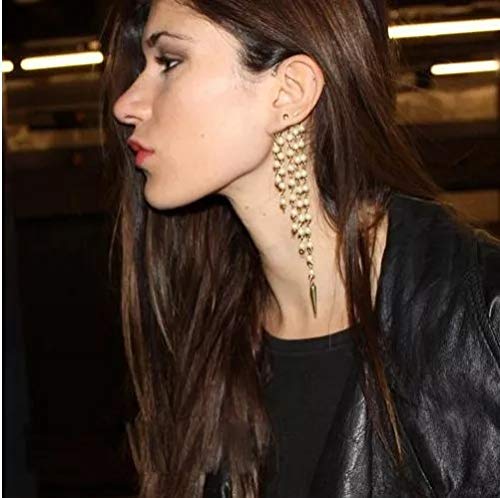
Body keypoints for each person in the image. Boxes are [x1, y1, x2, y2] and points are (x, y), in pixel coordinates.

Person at [101, 0, 500, 496]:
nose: (126, 104)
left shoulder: (482, 322)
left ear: (289, 91)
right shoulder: (207, 330)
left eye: (169, 62)